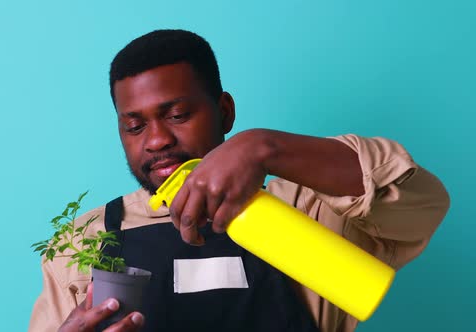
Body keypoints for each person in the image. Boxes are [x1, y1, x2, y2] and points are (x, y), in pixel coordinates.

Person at [29, 29, 450, 332]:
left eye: (177, 115)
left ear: (225, 112)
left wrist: (264, 148)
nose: (156, 140)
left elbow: (423, 201)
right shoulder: (84, 241)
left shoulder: (313, 207)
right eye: (135, 126)